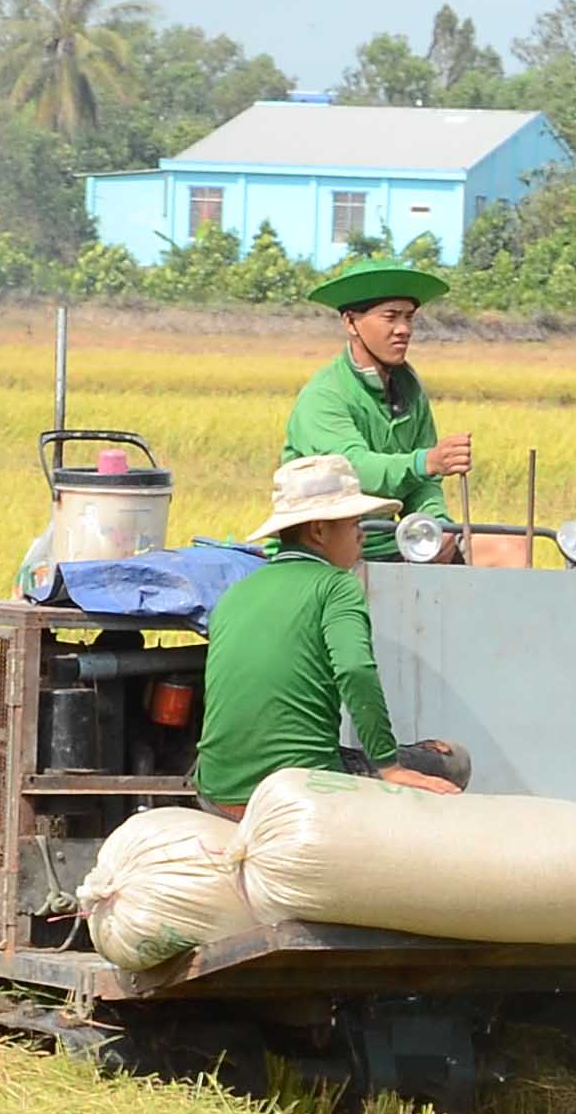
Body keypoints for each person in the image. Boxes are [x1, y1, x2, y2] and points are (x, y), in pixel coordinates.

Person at [194, 456, 469, 813]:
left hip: (215, 789)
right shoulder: (337, 586)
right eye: (354, 523)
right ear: (319, 532)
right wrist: (389, 765)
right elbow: (354, 669)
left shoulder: (236, 593)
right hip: (299, 787)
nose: (362, 534)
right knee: (453, 761)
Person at [285, 248, 473, 549]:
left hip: (395, 545)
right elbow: (353, 469)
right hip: (328, 552)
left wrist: (438, 524)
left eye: (409, 318)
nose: (404, 330)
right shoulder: (324, 395)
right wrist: (428, 460)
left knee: (506, 547)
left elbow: (422, 485)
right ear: (351, 323)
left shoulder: (409, 389)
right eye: (390, 317)